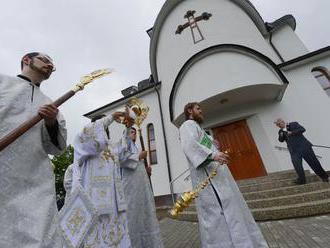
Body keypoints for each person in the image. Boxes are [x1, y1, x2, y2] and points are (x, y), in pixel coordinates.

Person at [0, 52, 67, 248]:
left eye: (52, 65)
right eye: (45, 60)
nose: (50, 65)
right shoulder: (3, 83)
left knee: (41, 236)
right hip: (3, 174)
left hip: (36, 180)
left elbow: (57, 148)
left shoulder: (50, 103)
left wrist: (51, 122)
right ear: (26, 60)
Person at [179, 102, 268, 248]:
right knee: (217, 216)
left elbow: (203, 146)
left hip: (219, 177)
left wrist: (214, 147)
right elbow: (190, 145)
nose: (201, 111)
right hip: (208, 180)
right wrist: (212, 155)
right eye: (198, 108)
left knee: (232, 211)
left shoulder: (199, 129)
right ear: (189, 110)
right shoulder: (187, 125)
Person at [69, 110, 134, 248]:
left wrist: (128, 128)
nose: (105, 128)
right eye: (103, 125)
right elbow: (88, 134)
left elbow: (125, 152)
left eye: (106, 126)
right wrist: (110, 118)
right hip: (94, 204)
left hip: (114, 206)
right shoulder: (86, 144)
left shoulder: (110, 147)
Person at [120, 127, 163, 248]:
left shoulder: (136, 147)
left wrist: (146, 171)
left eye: (135, 132)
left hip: (142, 187)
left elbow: (137, 168)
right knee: (134, 215)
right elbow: (122, 160)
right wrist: (138, 156)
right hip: (131, 189)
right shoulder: (124, 146)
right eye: (132, 132)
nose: (134, 134)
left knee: (146, 214)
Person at [274, 118, 329, 184]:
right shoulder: (280, 131)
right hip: (294, 151)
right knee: (297, 165)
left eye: (279, 123)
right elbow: (281, 140)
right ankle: (302, 180)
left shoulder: (293, 124)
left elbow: (302, 129)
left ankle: (324, 177)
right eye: (277, 125)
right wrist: (281, 134)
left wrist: (292, 132)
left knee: (314, 163)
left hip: (304, 147)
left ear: (283, 122)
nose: (279, 125)